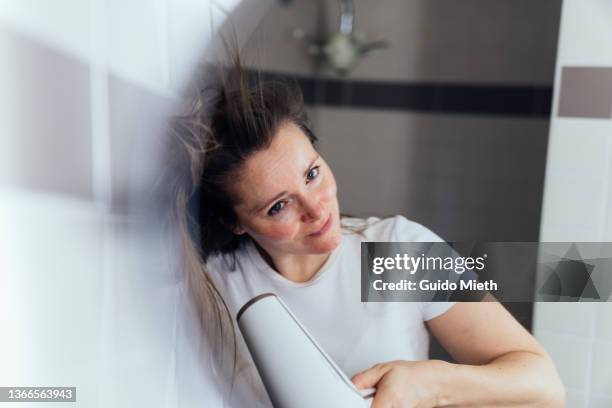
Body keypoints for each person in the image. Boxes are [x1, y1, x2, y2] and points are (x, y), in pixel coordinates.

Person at [169, 54, 565, 407]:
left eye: (312, 174)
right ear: (234, 221)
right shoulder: (215, 286)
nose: (316, 208)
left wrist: (436, 383)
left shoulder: (395, 256)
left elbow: (544, 386)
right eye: (278, 206)